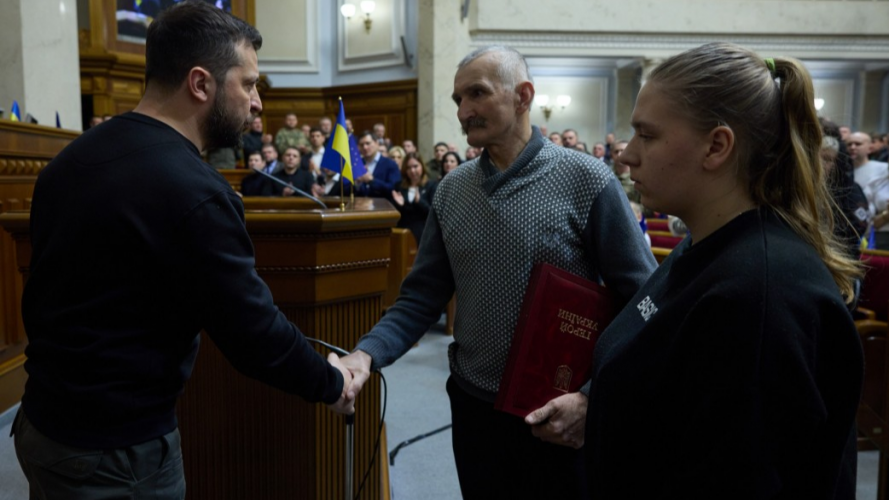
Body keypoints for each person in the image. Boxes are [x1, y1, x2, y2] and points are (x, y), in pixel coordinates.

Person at [12, 3, 353, 498]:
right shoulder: (197, 192)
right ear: (200, 84)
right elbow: (253, 333)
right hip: (118, 454)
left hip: (42, 423)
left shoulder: (66, 162)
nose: (258, 103)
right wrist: (331, 381)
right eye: (249, 84)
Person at [340, 45, 656, 499]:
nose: (464, 111)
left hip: (559, 411)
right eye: (458, 101)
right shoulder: (450, 191)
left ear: (523, 96)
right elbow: (420, 298)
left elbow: (642, 301)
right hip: (474, 408)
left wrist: (591, 396)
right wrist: (365, 354)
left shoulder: (588, 180)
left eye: (477, 94)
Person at [583, 42, 863, 499]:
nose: (626, 154)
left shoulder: (758, 296)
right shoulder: (705, 245)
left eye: (647, 135)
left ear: (716, 146)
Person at [333, 131, 401, 199]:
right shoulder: (354, 164)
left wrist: (371, 180)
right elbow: (343, 190)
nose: (365, 147)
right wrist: (357, 183)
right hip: (359, 206)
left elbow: (394, 189)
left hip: (383, 207)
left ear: (377, 143)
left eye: (368, 143)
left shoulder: (390, 164)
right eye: (361, 145)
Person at [391, 152, 437, 243]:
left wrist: (419, 201)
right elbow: (396, 214)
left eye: (415, 166)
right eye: (408, 168)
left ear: (422, 167)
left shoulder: (431, 186)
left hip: (424, 233)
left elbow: (432, 213)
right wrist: (400, 205)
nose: (412, 171)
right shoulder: (399, 186)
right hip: (403, 232)